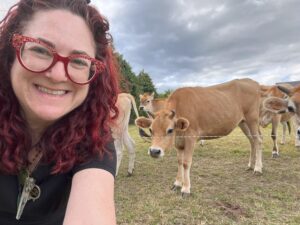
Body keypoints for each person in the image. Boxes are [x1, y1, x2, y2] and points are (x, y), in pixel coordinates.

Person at [0, 0, 119, 224]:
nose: (57, 75)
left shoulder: (93, 138)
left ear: (93, 76)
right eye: (40, 50)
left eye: (79, 61)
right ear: (10, 56)